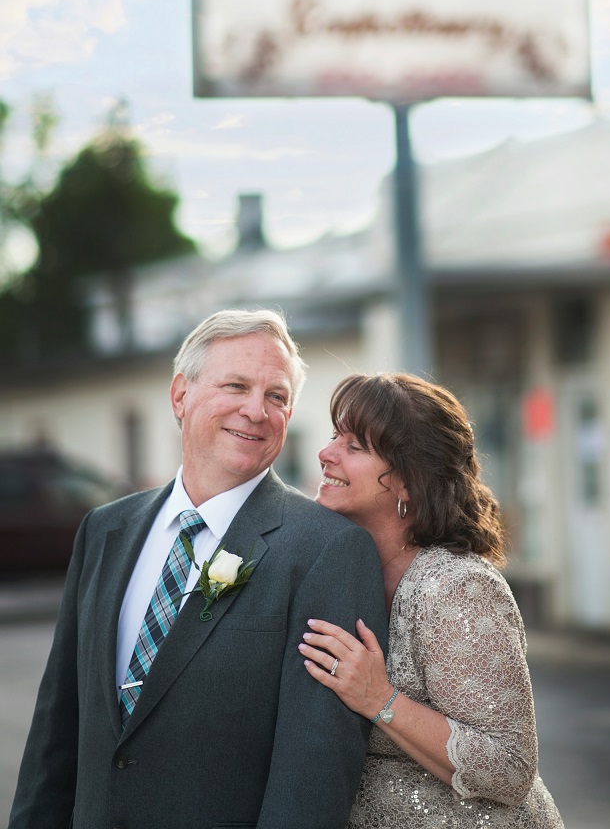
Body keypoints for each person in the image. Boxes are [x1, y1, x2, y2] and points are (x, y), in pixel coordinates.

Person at [10, 310, 388, 829]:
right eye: (236, 385)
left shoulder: (327, 549)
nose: (256, 410)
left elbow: (315, 769)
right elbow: (57, 727)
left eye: (276, 396)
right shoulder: (104, 530)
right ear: (180, 395)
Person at [301, 372, 564, 828]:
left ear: (408, 482)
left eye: (355, 447)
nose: (326, 454)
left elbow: (509, 767)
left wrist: (379, 697)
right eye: (333, 437)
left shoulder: (456, 588)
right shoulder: (335, 570)